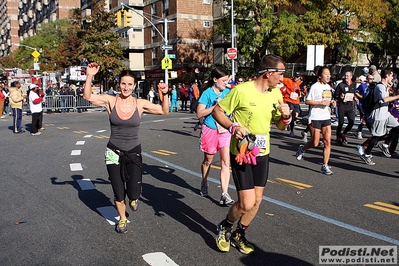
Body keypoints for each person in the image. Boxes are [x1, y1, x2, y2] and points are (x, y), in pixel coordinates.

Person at [212, 54, 291, 254]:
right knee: (246, 202)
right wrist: (233, 127)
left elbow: (280, 126)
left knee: (257, 201)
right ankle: (226, 226)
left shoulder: (276, 94)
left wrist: (286, 116)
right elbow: (217, 111)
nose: (283, 79)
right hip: (241, 152)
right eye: (281, 74)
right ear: (269, 73)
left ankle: (239, 234)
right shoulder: (241, 91)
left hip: (262, 153)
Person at [83, 62, 169, 233]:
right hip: (113, 151)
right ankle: (122, 219)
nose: (126, 87)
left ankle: (134, 198)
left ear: (134, 86)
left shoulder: (140, 103)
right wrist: (90, 75)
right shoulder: (111, 101)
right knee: (118, 189)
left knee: (133, 193)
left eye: (129, 84)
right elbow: (88, 96)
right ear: (119, 84)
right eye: (123, 83)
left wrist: (165, 94)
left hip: (134, 151)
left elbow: (163, 111)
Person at [196, 67, 234, 206]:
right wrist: (215, 107)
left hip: (224, 129)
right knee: (208, 160)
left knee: (225, 162)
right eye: (223, 80)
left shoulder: (228, 92)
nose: (226, 83)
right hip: (210, 128)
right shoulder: (207, 93)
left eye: (227, 80)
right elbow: (199, 113)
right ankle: (204, 182)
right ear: (215, 79)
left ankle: (225, 193)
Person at [295, 66, 335, 175]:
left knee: (327, 142)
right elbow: (307, 101)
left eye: (329, 74)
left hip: (326, 116)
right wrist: (320, 103)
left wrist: (332, 103)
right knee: (315, 143)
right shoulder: (315, 86)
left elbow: (327, 99)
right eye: (326, 74)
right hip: (315, 117)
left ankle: (325, 165)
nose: (328, 76)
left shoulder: (328, 87)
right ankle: (302, 149)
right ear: (320, 75)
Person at [360, 68, 399, 165]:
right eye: (391, 76)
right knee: (376, 136)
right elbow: (385, 99)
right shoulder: (380, 87)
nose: (392, 78)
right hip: (379, 115)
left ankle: (385, 144)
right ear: (386, 76)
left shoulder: (384, 86)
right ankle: (366, 154)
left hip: (385, 113)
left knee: (397, 127)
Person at [334, 71, 356, 145]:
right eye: (345, 75)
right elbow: (335, 95)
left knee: (352, 121)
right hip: (342, 105)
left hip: (350, 106)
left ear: (351, 76)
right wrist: (340, 96)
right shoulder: (341, 85)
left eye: (348, 76)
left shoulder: (354, 84)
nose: (346, 77)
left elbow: (355, 93)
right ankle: (338, 137)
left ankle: (344, 133)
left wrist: (356, 98)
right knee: (341, 123)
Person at [281, 72, 303, 137]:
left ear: (299, 78)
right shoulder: (288, 80)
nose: (296, 78)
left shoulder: (300, 83)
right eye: (295, 76)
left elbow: (304, 90)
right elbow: (281, 79)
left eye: (297, 77)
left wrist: (303, 91)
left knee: (295, 115)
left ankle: (289, 123)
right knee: (291, 112)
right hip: (288, 100)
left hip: (296, 101)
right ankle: (290, 129)